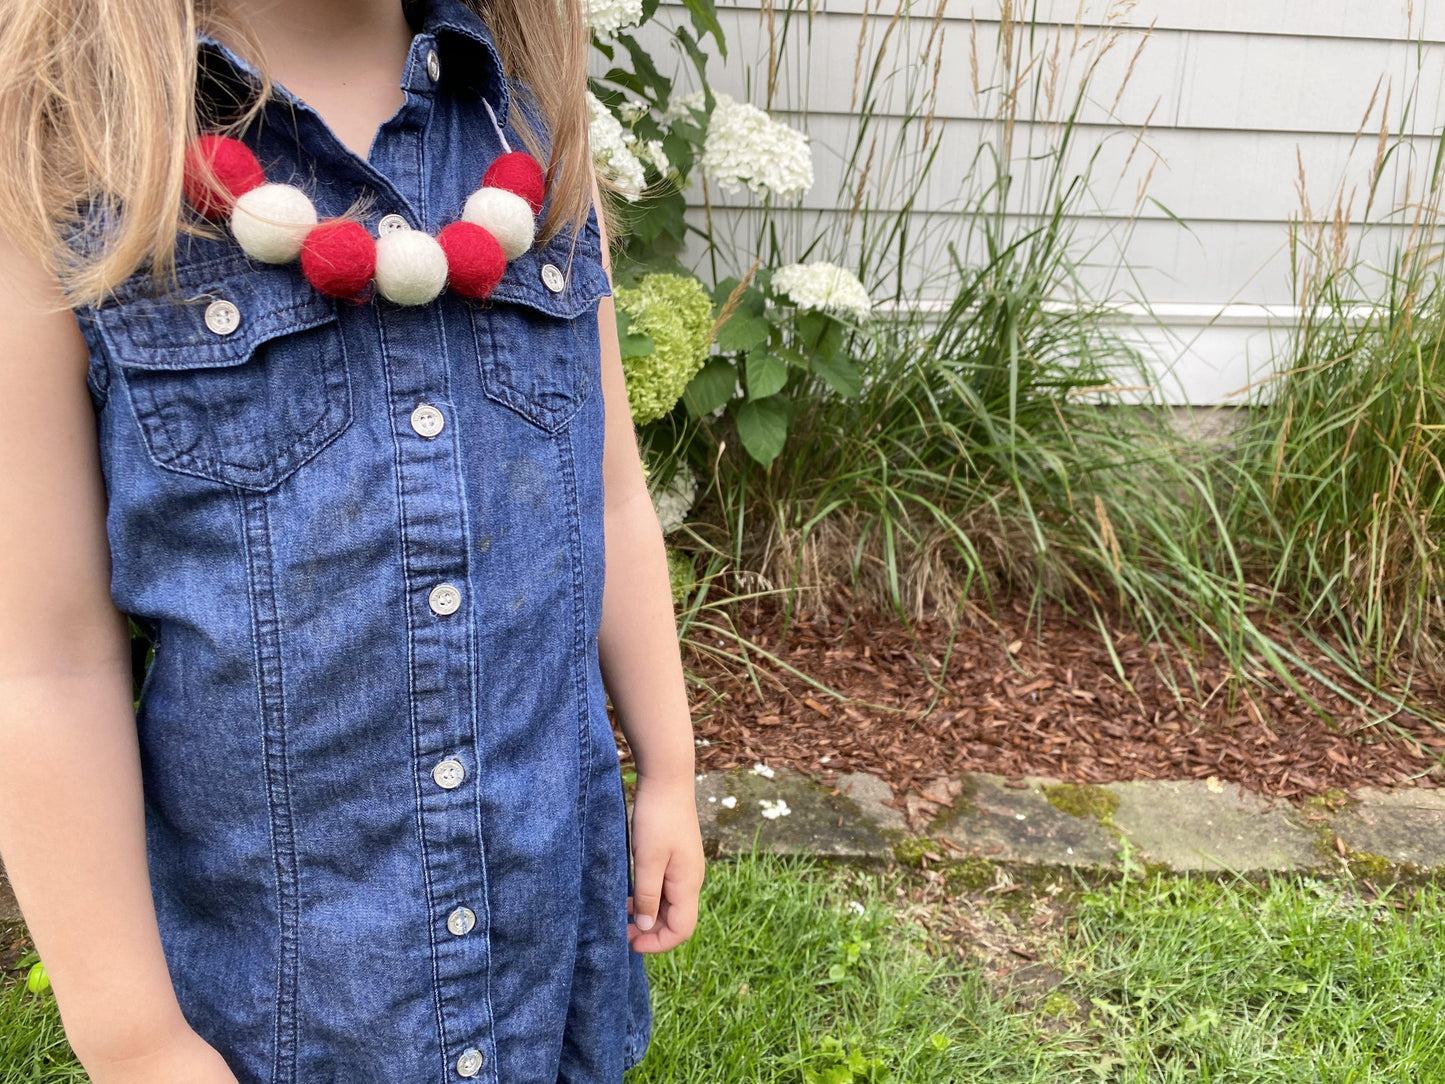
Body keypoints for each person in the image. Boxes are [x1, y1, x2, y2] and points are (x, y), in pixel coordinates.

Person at [0, 0, 706, 1080]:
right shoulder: (62, 173)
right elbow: (44, 661)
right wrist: (135, 1038)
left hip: (538, 966)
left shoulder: (529, 141)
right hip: (283, 1008)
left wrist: (667, 765)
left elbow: (608, 496)